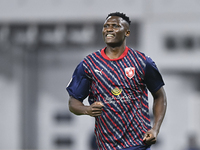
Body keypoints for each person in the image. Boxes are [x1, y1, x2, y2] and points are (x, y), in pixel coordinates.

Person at [66, 12, 167, 150]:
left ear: (127, 32)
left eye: (115, 26)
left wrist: (155, 129)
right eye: (106, 26)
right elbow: (73, 102)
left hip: (138, 144)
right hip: (106, 145)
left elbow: (160, 96)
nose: (109, 29)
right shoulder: (89, 64)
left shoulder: (142, 62)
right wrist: (87, 109)